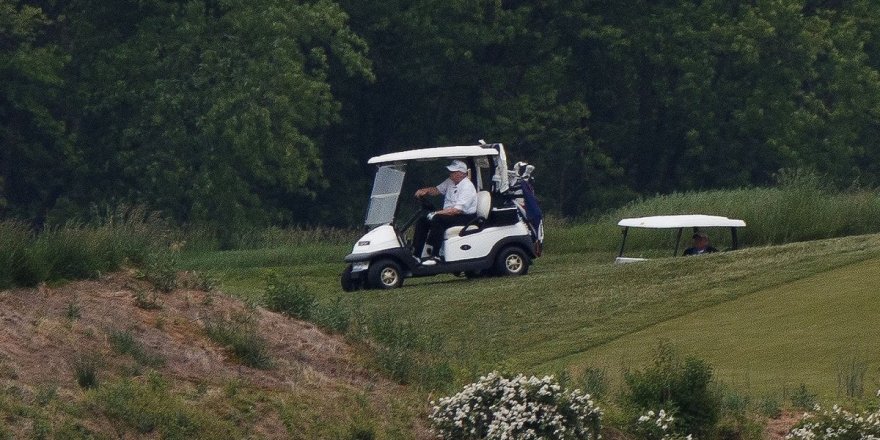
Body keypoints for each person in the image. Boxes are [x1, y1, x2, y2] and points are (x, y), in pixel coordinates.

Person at [411, 160, 478, 265]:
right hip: (452, 214)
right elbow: (437, 190)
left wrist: (437, 213)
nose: (450, 174)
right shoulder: (450, 181)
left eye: (453, 172)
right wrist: (425, 191)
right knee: (423, 220)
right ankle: (416, 254)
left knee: (438, 219)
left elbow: (457, 210)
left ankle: (435, 255)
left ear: (461, 173)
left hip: (465, 217)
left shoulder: (467, 187)